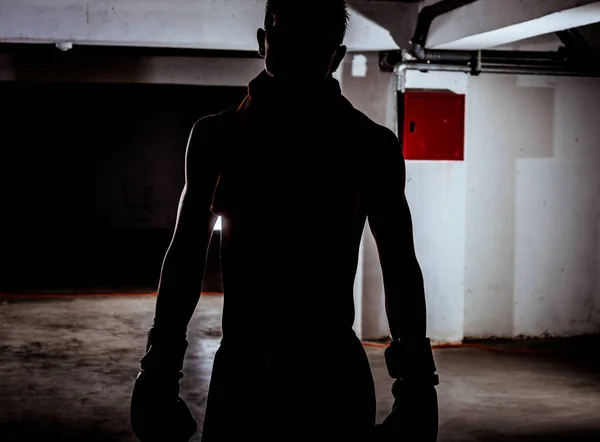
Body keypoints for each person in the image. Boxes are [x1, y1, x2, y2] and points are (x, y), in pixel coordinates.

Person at [130, 1, 439, 441]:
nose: (297, 47)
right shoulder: (218, 138)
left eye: (312, 37)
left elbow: (401, 266)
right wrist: (157, 367)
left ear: (335, 54)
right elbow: (184, 254)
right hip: (257, 372)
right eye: (287, 32)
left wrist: (418, 383)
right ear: (263, 42)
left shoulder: (370, 146)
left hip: (319, 374)